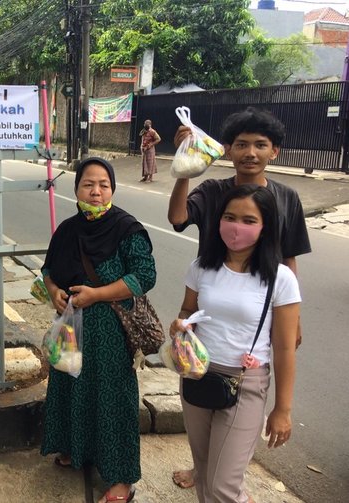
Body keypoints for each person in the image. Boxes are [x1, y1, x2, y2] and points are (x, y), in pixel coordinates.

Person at [167, 107, 311, 490]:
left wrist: (291, 319)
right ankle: (206, 473)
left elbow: (290, 255)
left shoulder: (285, 199)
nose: (251, 152)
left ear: (274, 151)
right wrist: (185, 165)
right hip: (212, 302)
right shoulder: (213, 191)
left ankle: (219, 479)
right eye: (242, 144)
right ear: (227, 150)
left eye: (260, 145)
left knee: (225, 479)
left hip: (259, 310)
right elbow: (178, 217)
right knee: (206, 448)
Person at [170, 184, 300, 503]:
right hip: (196, 373)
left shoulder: (280, 278)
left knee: (223, 486)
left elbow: (284, 348)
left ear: (265, 226)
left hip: (245, 384)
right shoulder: (202, 266)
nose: (236, 226)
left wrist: (282, 409)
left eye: (248, 220)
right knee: (205, 471)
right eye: (229, 217)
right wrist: (182, 324)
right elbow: (189, 309)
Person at [40, 157, 157, 503]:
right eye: (88, 184)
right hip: (70, 328)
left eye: (103, 184)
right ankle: (77, 450)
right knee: (71, 386)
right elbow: (49, 268)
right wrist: (53, 291)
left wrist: (97, 295)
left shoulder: (126, 229)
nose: (96, 191)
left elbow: (144, 276)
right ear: (76, 188)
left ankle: (122, 478)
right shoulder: (67, 229)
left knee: (112, 398)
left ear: (113, 189)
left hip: (109, 333)